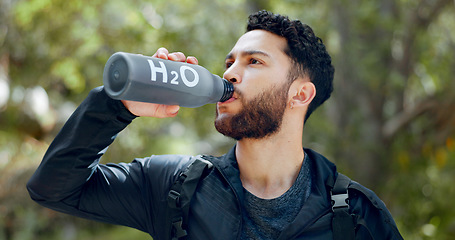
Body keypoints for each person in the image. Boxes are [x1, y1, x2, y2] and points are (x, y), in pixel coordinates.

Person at [27, 10, 403, 240]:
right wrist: (117, 105)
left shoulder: (355, 215)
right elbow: (53, 189)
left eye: (254, 62)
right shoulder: (175, 187)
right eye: (229, 62)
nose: (232, 72)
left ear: (300, 95)